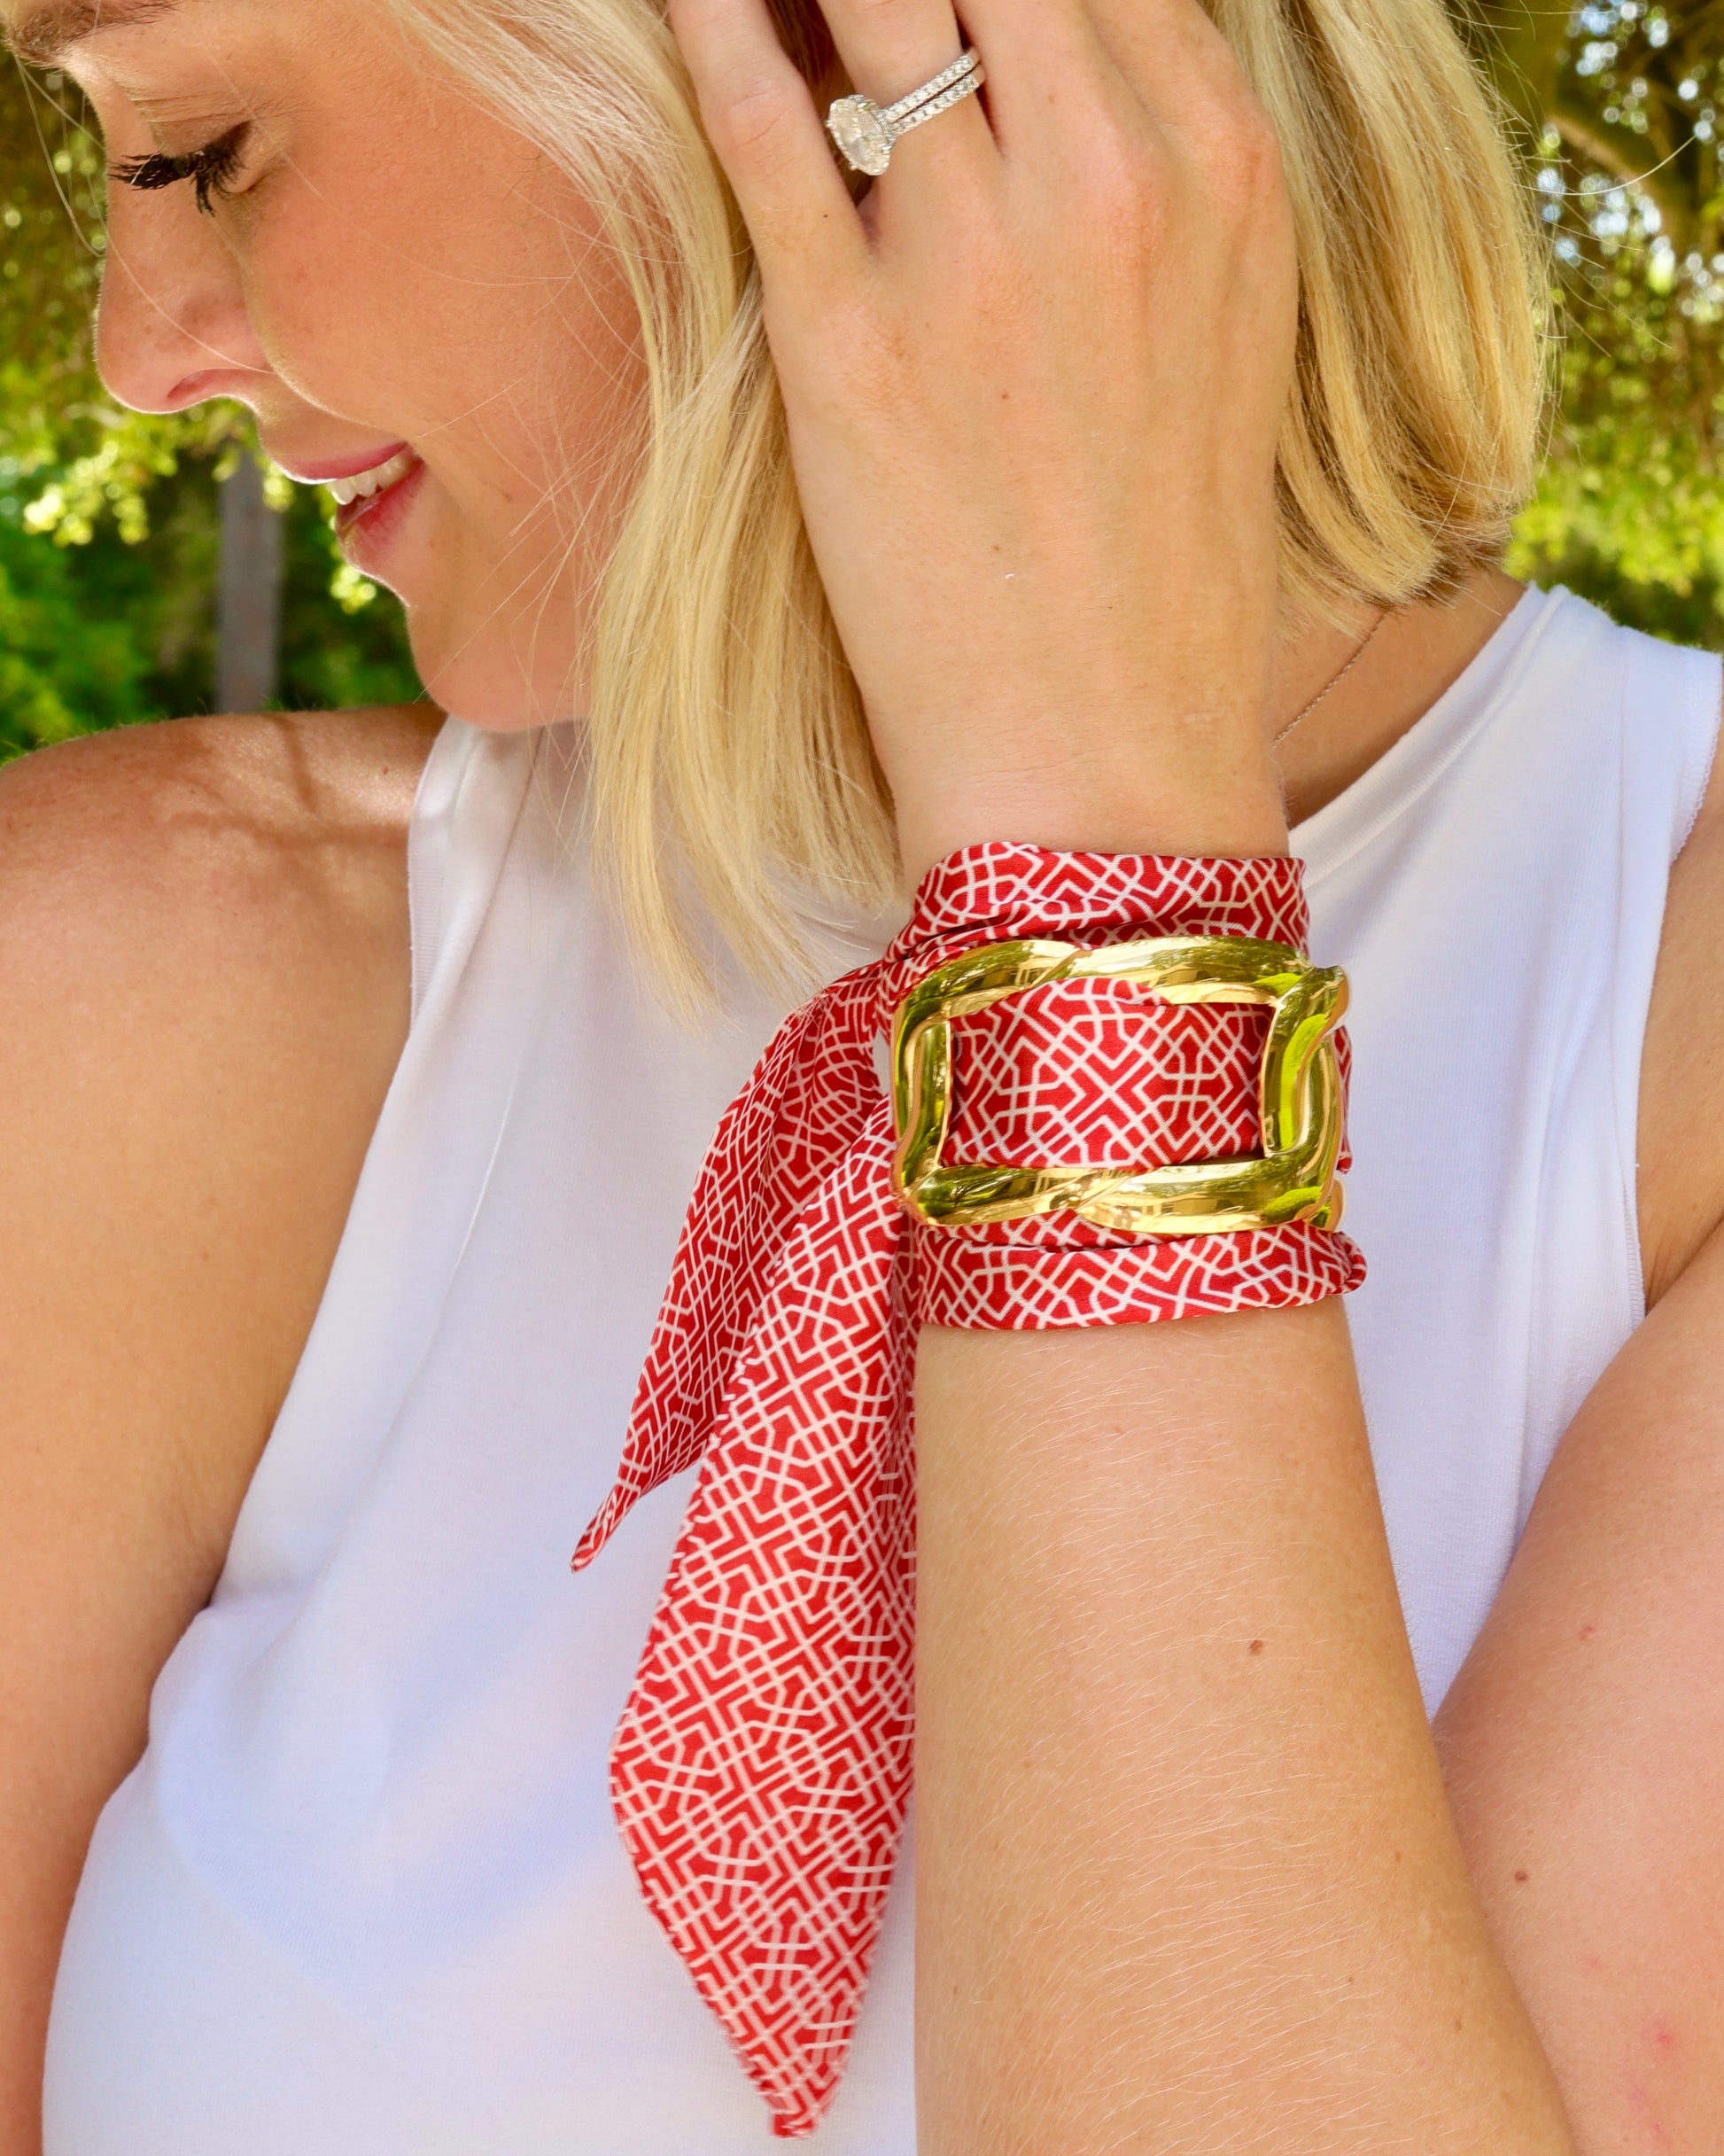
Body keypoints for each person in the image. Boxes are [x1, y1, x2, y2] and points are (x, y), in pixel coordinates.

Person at [2, 0, 1721, 2145]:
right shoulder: (128, 985)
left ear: (837, 34)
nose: (137, 349)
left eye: (205, 149)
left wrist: (1088, 849)